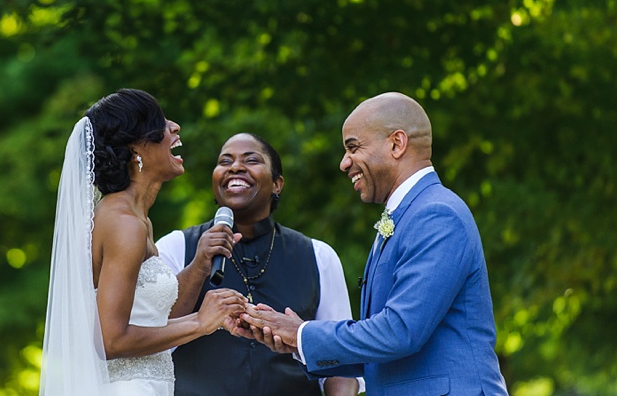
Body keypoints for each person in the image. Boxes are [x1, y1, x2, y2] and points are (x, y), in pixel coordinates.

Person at [241, 92, 508, 395]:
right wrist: (295, 343)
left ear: (397, 144)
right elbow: (382, 351)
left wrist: (302, 333)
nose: (344, 163)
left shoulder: (437, 214)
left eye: (353, 147)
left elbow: (399, 331)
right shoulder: (406, 215)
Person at [39, 89, 247, 396]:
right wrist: (201, 323)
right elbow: (111, 340)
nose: (174, 127)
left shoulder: (138, 221)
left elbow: (154, 323)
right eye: (160, 123)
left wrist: (200, 264)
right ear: (136, 148)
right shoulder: (124, 223)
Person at [156, 132, 362, 395]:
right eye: (225, 161)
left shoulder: (319, 256)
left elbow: (339, 362)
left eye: (251, 160)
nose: (235, 167)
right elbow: (152, 338)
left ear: (277, 184)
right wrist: (198, 265)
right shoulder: (176, 246)